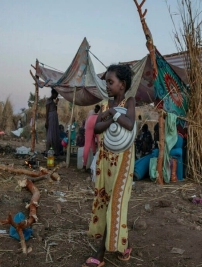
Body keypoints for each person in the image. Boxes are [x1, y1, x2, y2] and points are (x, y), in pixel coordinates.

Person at [83, 64, 135, 267]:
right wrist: (110, 115)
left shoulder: (128, 101)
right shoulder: (105, 104)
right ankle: (125, 244)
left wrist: (112, 114)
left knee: (117, 202)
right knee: (105, 200)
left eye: (110, 82)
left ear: (122, 85)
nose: (107, 86)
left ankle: (101, 252)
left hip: (123, 161)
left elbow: (129, 124)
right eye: (106, 82)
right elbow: (96, 127)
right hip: (106, 161)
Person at [82, 105, 100, 172]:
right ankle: (97, 163)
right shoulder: (100, 113)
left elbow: (86, 123)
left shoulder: (90, 113)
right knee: (99, 144)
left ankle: (84, 165)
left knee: (87, 144)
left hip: (90, 122)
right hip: (98, 120)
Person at [45, 89, 61, 155]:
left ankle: (54, 151)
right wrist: (47, 121)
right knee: (50, 135)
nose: (56, 96)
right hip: (51, 118)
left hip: (54, 119)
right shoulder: (48, 101)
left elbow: (55, 109)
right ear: (53, 94)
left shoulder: (52, 101)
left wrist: (56, 103)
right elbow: (47, 112)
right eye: (56, 95)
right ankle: (48, 150)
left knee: (54, 133)